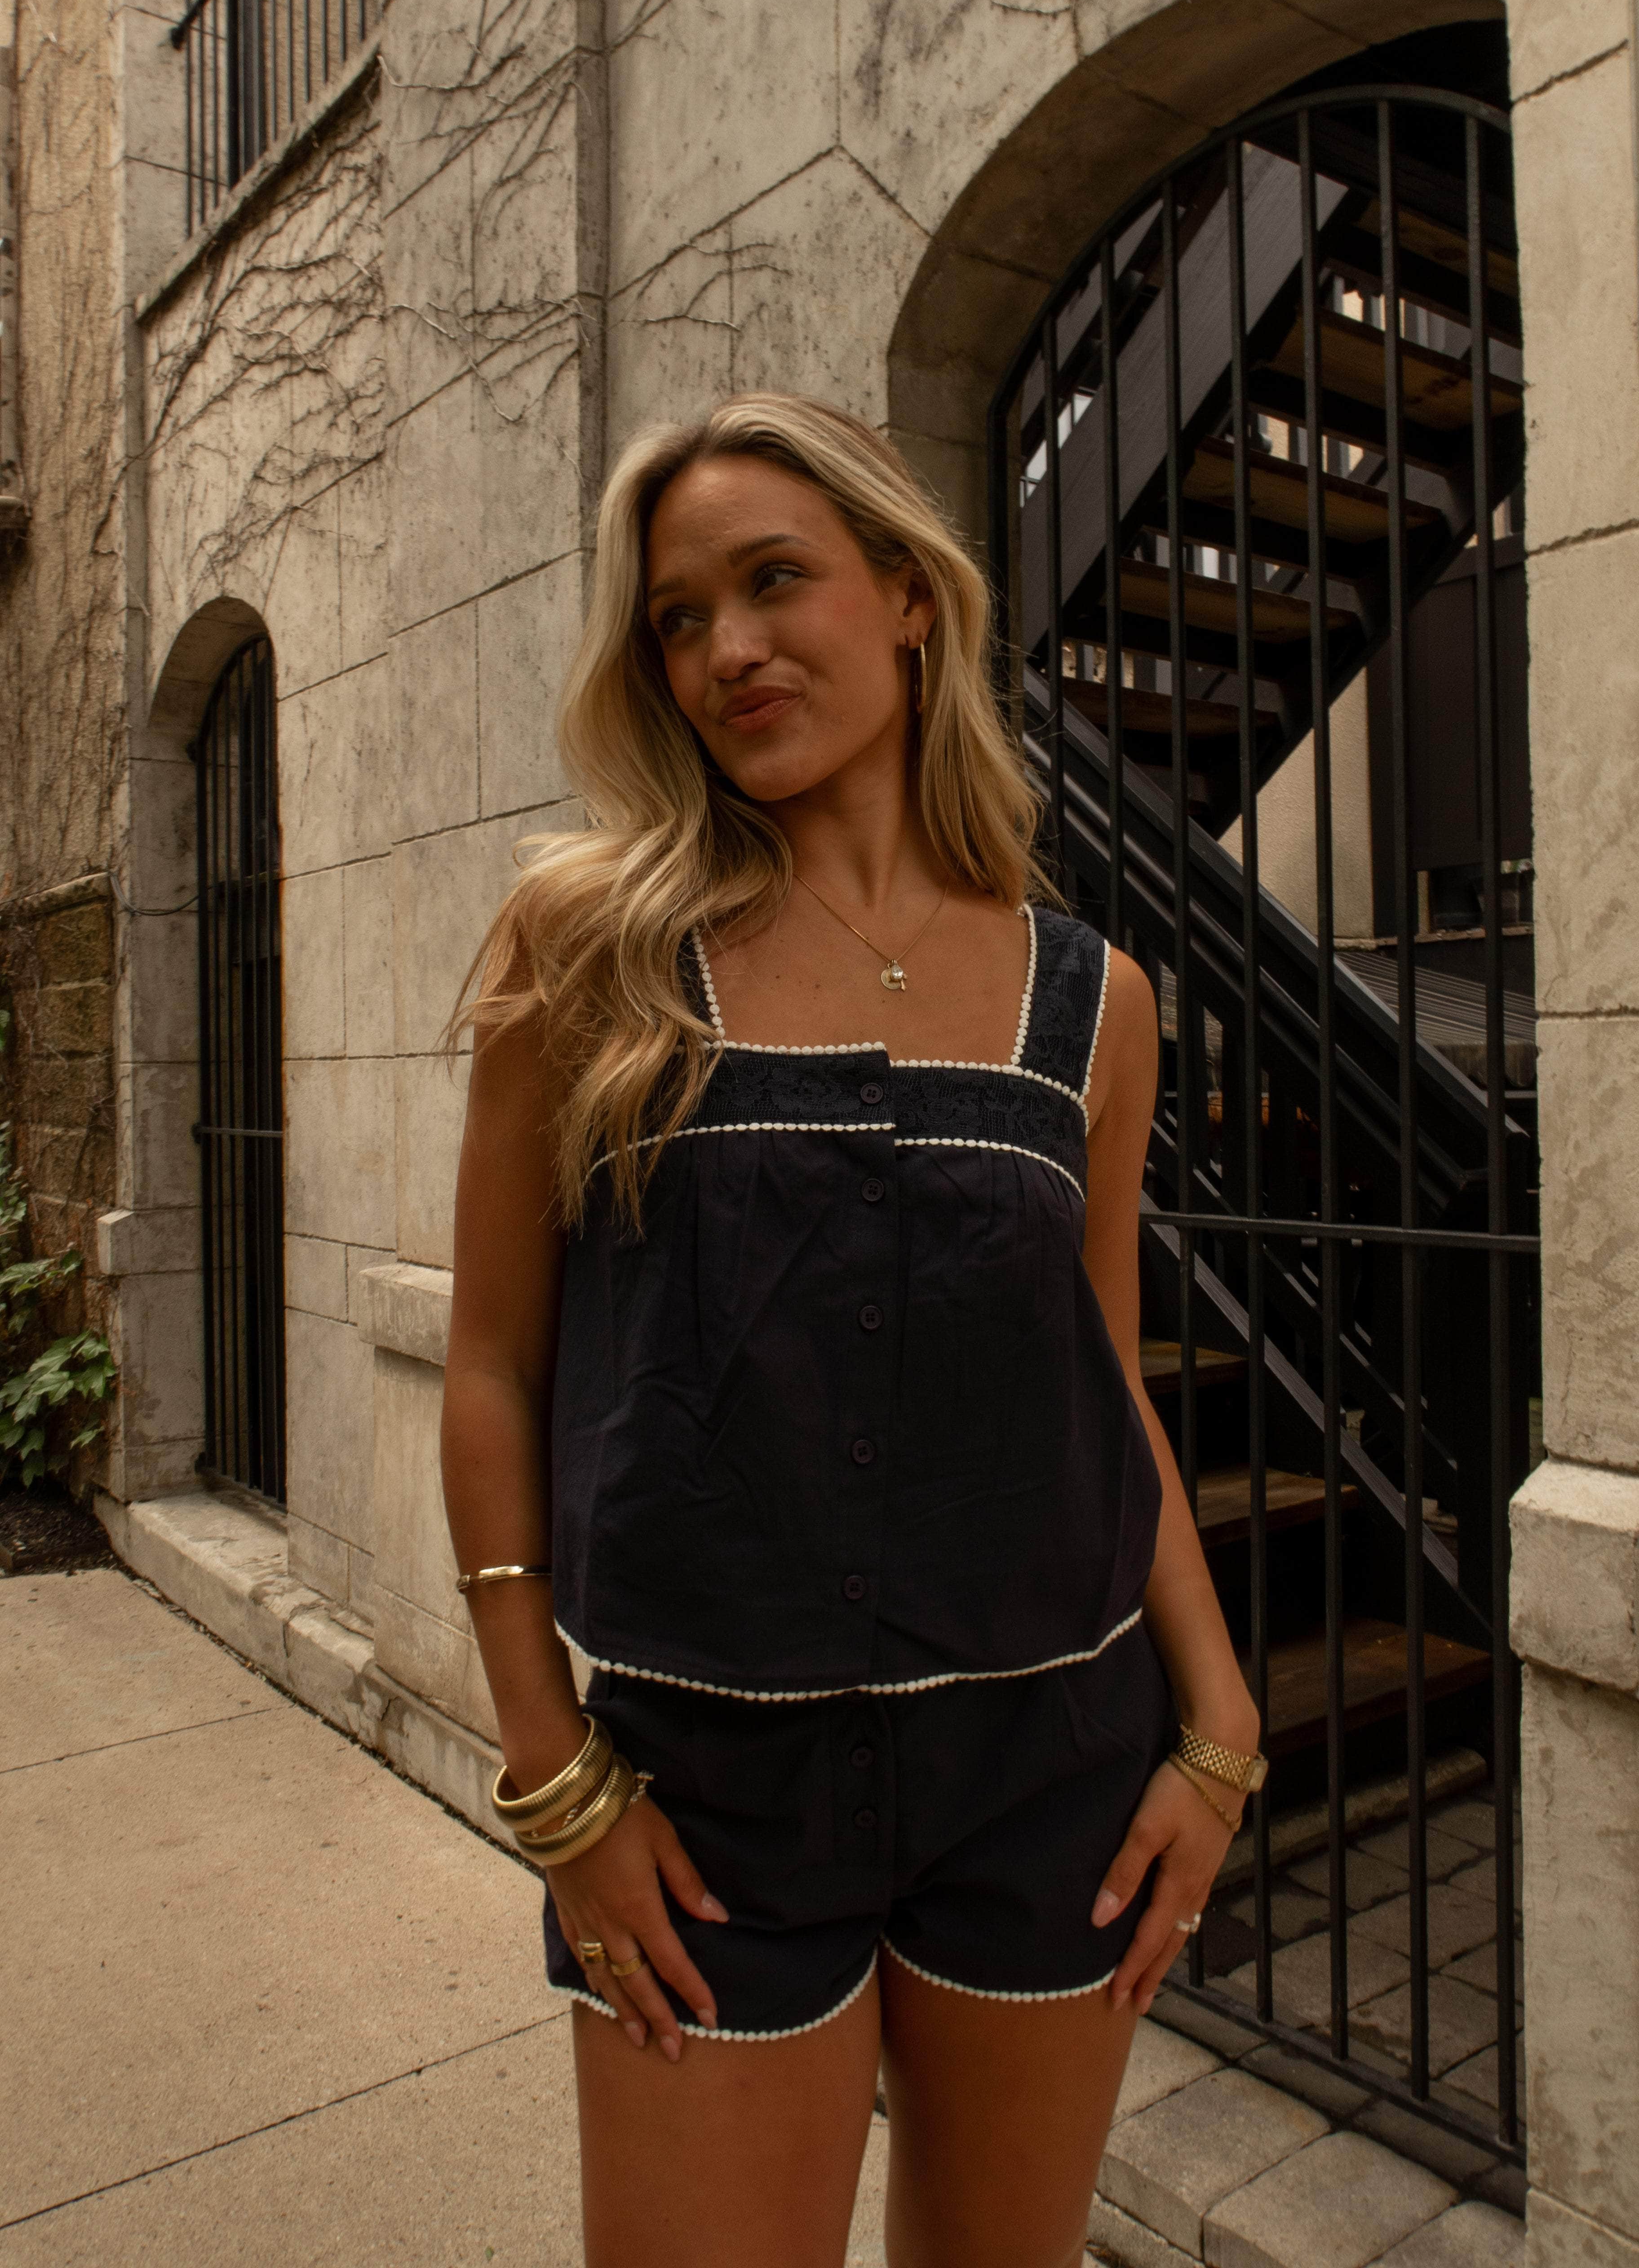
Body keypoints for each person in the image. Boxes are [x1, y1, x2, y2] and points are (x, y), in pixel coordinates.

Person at [439, 394, 1266, 2268]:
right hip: (706, 1790)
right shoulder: (589, 947)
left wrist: (1218, 1719)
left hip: (1051, 1775)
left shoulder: (1095, 1001)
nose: (725, 648)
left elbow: (1102, 1387)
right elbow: (493, 1368)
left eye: (773, 581)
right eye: (678, 618)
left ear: (908, 596)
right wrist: (555, 1776)